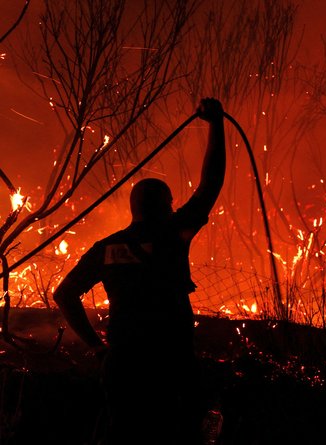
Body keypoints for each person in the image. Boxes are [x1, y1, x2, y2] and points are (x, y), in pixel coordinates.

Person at [53, 98, 226, 445]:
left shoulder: (107, 248)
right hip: (171, 361)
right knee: (181, 432)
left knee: (123, 432)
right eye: (171, 202)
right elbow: (210, 185)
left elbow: (64, 294)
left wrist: (97, 348)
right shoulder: (172, 236)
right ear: (167, 205)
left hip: (123, 363)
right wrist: (216, 124)